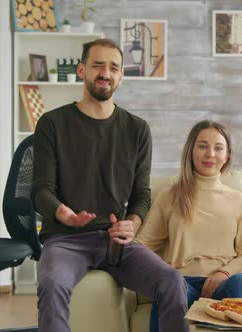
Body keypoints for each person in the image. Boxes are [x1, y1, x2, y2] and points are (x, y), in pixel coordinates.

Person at [32, 39, 188, 332]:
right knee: (52, 283)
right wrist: (63, 213)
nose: (105, 72)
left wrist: (133, 223)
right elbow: (41, 190)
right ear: (81, 70)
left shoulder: (137, 129)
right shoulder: (52, 123)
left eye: (113, 67)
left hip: (117, 241)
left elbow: (142, 194)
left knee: (172, 281)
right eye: (97, 65)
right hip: (66, 240)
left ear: (120, 77)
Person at [136, 120, 242, 332]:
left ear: (227, 155)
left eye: (218, 148)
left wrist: (225, 273)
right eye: (202, 146)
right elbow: (142, 245)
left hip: (225, 282)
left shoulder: (238, 200)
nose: (210, 154)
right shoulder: (170, 196)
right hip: (181, 284)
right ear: (191, 151)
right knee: (170, 286)